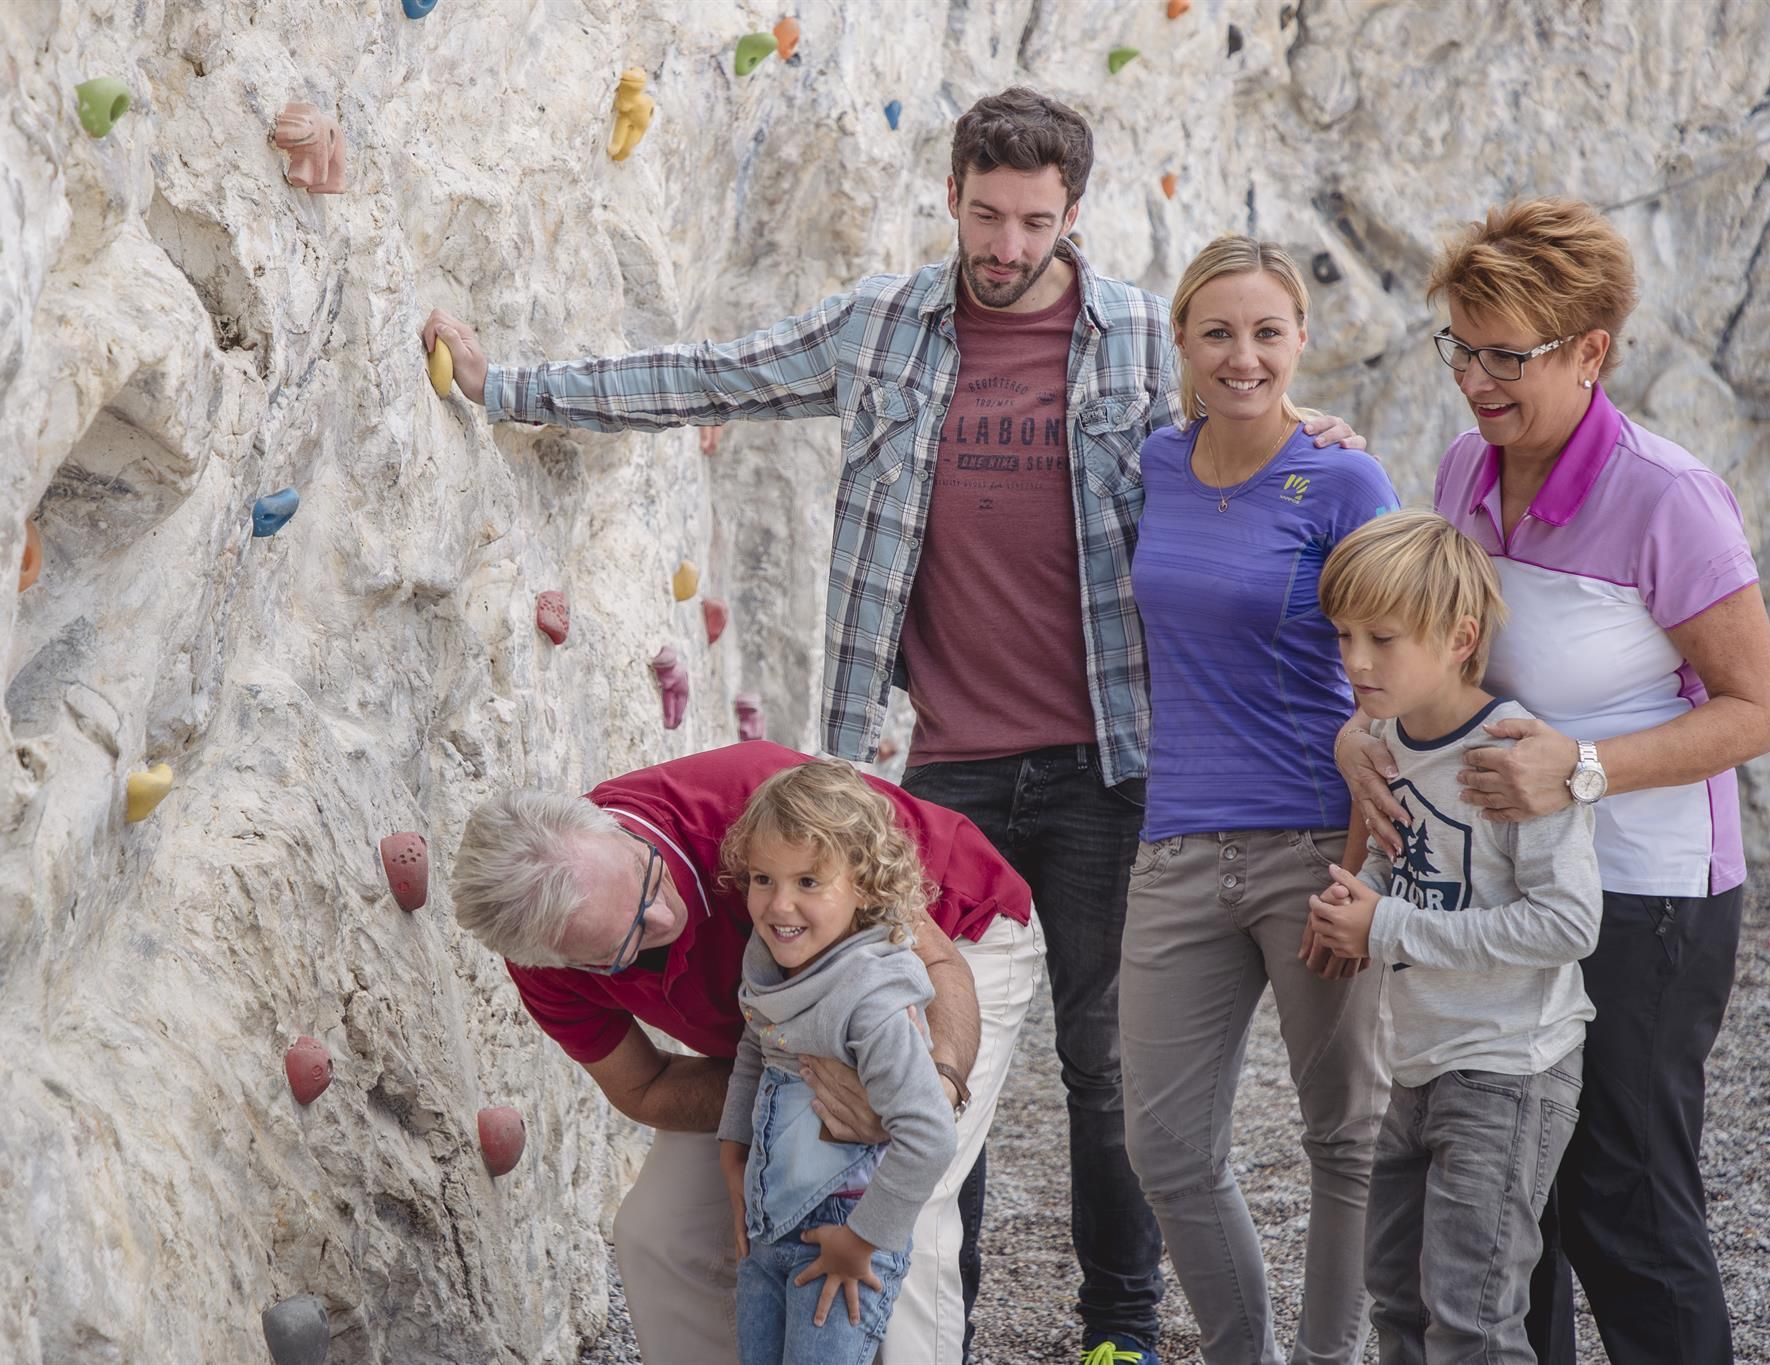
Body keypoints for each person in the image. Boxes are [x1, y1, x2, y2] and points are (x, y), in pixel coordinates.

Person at [423, 87, 1365, 1364]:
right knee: (910, 1044)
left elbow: (1237, 434)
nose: (1006, 245)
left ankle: (1119, 1330)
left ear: (1072, 214)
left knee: (1102, 1062)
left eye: (1033, 221)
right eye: (985, 215)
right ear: (950, 197)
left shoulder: (1145, 339)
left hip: (1109, 757)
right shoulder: (880, 327)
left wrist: (1304, 433)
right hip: (938, 765)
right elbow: (711, 374)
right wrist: (512, 386)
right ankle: (939, 1325)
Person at [1334, 198, 1770, 1365]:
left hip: (1643, 896)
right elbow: (1438, 652)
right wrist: (1360, 734)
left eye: (1506, 356)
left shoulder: (1668, 497)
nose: (1473, 381)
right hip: (1495, 887)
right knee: (1498, 1219)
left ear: (1590, 351)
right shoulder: (1461, 467)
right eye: (1459, 348)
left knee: (1620, 1210)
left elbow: (1758, 712)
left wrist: (1579, 770)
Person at [448, 740, 1041, 1365]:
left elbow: (938, 961)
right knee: (659, 1232)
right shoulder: (544, 962)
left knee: (897, 1218)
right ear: (561, 960)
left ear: (612, 828)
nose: (663, 917)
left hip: (956, 934)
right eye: (628, 942)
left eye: (647, 878)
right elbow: (645, 1087)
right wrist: (754, 1133)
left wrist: (926, 1093)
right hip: (783, 1043)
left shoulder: (757, 813)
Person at [1113, 233, 1395, 1365]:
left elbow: (1393, 678)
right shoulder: (1155, 463)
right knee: (1167, 1148)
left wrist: (1358, 872)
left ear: (1301, 339)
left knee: (1347, 1137)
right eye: (1218, 333)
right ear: (1180, 342)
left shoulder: (1345, 479)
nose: (1244, 356)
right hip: (1177, 846)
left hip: (1314, 842)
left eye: (1267, 332)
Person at [1304, 509, 1600, 1364]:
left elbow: (1569, 922)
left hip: (1510, 1067)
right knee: (1398, 1298)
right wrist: (1362, 897)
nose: (1356, 662)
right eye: (1345, 636)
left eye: (1382, 639)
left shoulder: (1515, 752)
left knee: (1472, 1316)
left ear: (1460, 637)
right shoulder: (1386, 741)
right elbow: (1408, 862)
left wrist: (1387, 924)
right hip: (1416, 1064)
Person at [718, 759, 958, 1365]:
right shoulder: (774, 967)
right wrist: (733, 1151)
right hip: (768, 1230)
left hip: (845, 1234)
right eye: (763, 878)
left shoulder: (872, 998)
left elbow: (929, 1135)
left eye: (808, 882)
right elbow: (754, 1047)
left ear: (866, 886)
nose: (780, 905)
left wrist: (863, 1240)